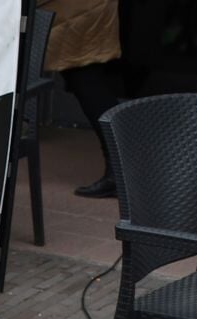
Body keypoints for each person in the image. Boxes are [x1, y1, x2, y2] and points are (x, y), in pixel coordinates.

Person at [40, 0, 123, 198]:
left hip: (79, 10)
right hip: (83, 10)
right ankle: (122, 167)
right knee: (86, 80)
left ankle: (121, 169)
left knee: (86, 80)